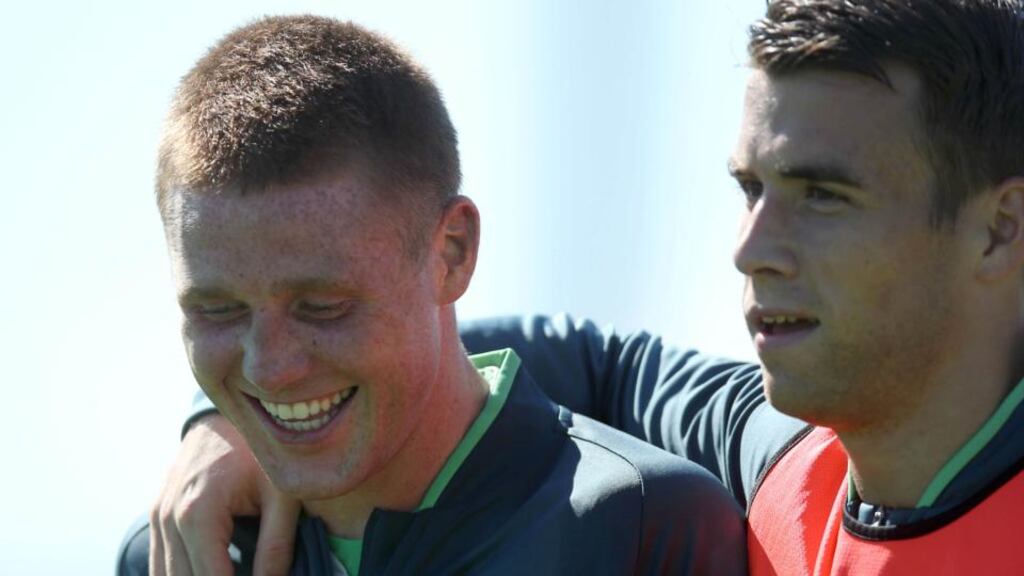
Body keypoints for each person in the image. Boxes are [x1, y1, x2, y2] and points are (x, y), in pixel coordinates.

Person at [141, 0, 1024, 574]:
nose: (749, 249)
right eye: (751, 190)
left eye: (824, 196)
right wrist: (237, 412)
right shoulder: (788, 463)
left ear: (1000, 227)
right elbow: (586, 359)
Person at [116, 14, 745, 576]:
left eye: (322, 307)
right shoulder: (173, 558)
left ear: (452, 252)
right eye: (217, 311)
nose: (269, 369)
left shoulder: (640, 528)